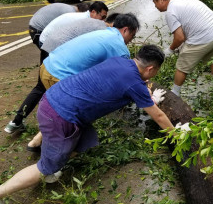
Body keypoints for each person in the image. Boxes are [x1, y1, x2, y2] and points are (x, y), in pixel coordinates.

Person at [0, 45, 173, 204]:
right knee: (44, 167)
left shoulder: (119, 62)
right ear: (151, 68)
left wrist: (147, 96)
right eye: (156, 72)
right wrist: (177, 135)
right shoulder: (134, 82)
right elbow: (159, 117)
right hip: (61, 116)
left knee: (85, 139)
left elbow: (129, 89)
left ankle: (53, 166)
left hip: (52, 100)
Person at [27, 13, 139, 150]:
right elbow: (127, 76)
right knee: (75, 112)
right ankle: (57, 152)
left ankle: (36, 141)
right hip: (58, 75)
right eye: (132, 36)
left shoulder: (102, 32)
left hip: (47, 66)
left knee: (59, 110)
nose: (131, 41)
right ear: (126, 30)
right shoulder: (119, 46)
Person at [4, 2, 94, 134]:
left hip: (44, 38)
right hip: (45, 39)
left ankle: (16, 121)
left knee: (43, 84)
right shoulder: (72, 15)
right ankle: (52, 123)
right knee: (50, 84)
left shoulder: (68, 11)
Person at [149, 0, 213, 96]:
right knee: (211, 59)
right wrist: (181, 45)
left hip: (204, 36)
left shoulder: (170, 11)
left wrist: (170, 50)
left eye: (155, 2)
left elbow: (179, 37)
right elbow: (185, 30)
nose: (155, 6)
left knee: (181, 66)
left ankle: (174, 94)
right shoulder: (182, 0)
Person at [41, 13, 119, 53]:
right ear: (113, 24)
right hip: (56, 47)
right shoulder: (103, 30)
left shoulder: (93, 21)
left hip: (48, 42)